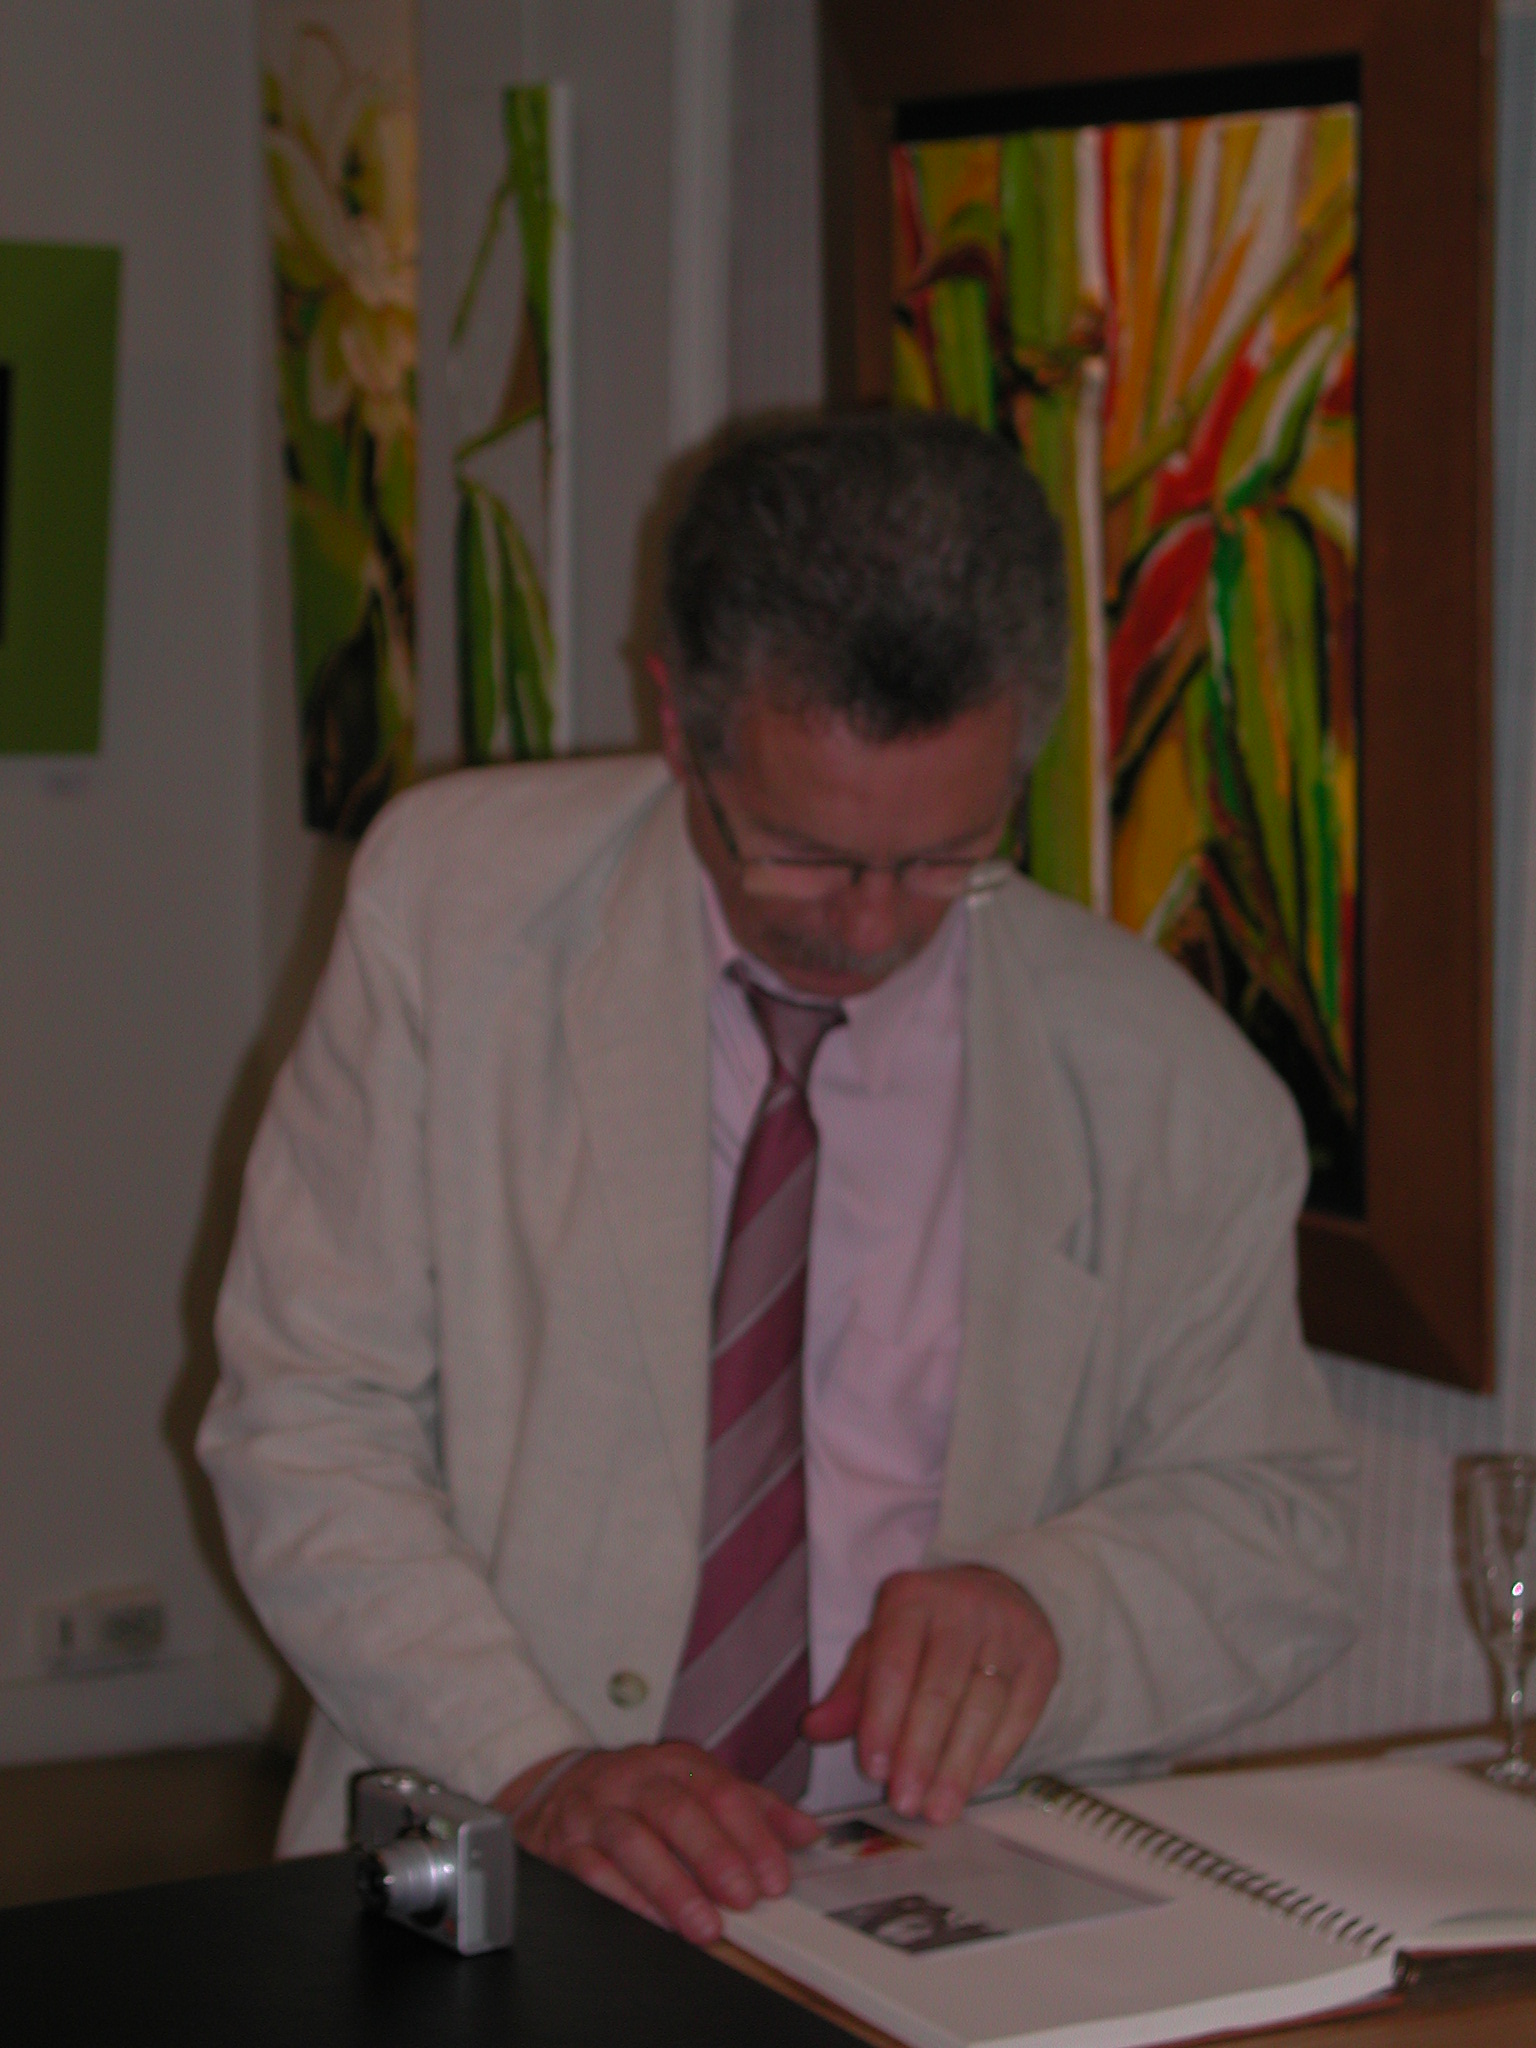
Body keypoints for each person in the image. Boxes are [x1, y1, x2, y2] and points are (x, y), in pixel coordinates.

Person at [199, 411, 1357, 1948]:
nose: (871, 928)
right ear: (679, 726)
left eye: (946, 856)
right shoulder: (454, 914)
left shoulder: (1173, 1086)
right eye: (802, 854)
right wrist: (536, 1765)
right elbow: (306, 1419)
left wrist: (1058, 1610)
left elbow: (1279, 1531)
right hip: (494, 1860)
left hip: (941, 1909)